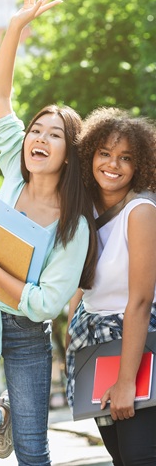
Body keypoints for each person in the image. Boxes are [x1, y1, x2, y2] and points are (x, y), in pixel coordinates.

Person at [0, 0, 97, 465]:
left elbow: (45, 305)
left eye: (55, 134)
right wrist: (14, 27)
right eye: (36, 129)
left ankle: (21, 418)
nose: (39, 137)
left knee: (34, 452)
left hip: (25, 332)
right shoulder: (15, 170)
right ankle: (2, 416)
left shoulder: (74, 225)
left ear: (69, 151)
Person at [66, 107, 156, 465]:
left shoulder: (141, 212)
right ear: (90, 155)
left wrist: (125, 380)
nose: (113, 165)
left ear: (140, 165)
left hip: (137, 347)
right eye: (105, 153)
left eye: (125, 158)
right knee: (120, 455)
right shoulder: (82, 210)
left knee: (139, 455)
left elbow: (141, 301)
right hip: (94, 348)